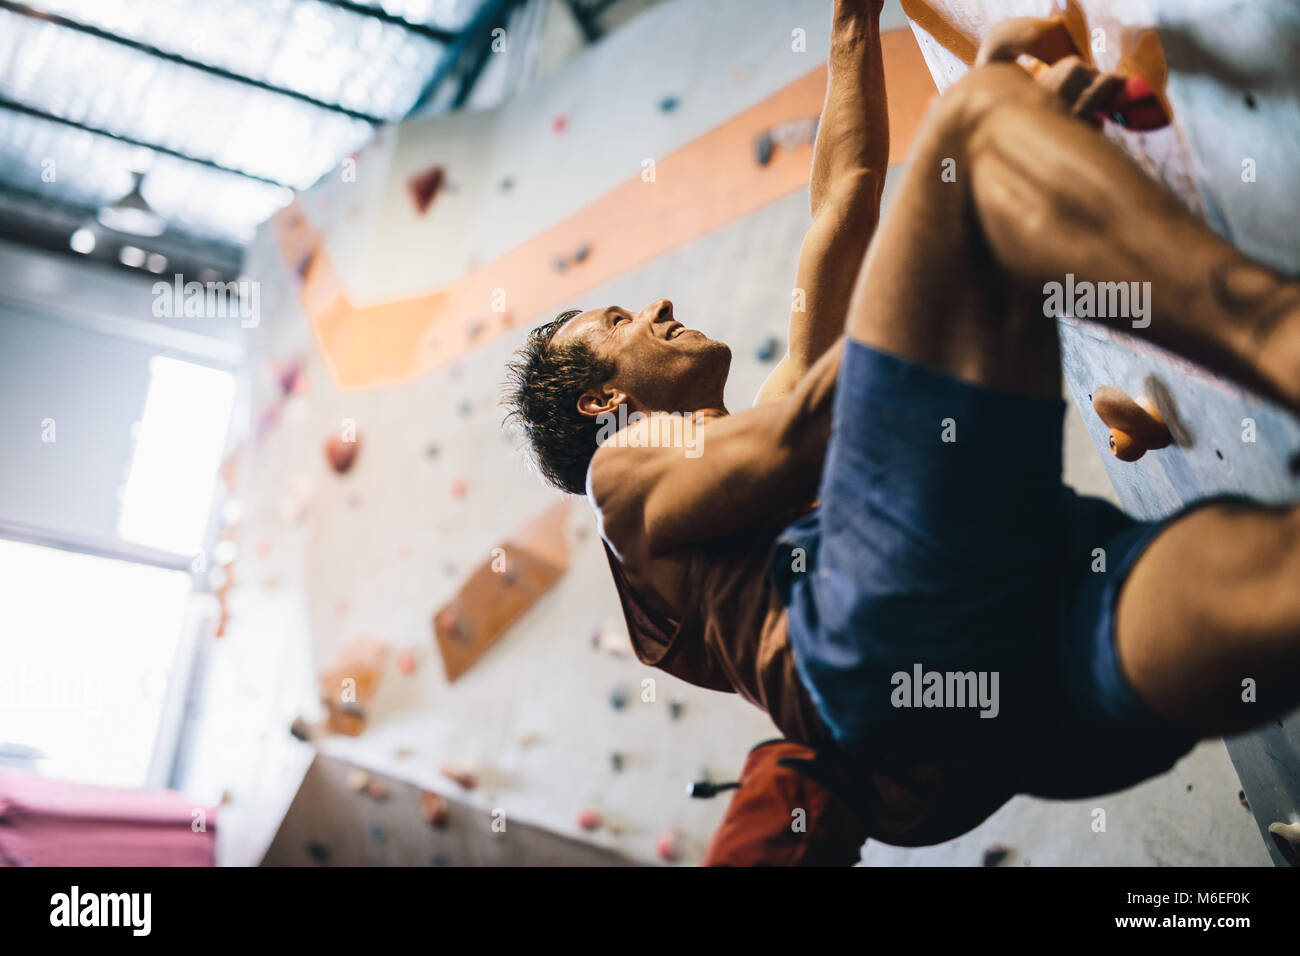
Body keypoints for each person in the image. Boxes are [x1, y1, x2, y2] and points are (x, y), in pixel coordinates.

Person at [504, 1, 1300, 845]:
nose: (658, 304)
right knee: (974, 135)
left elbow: (840, 210)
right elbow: (806, 438)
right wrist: (968, 249)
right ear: (600, 403)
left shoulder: (737, 447)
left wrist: (852, 23)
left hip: (995, 706)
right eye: (621, 319)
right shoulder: (619, 477)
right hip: (871, 642)